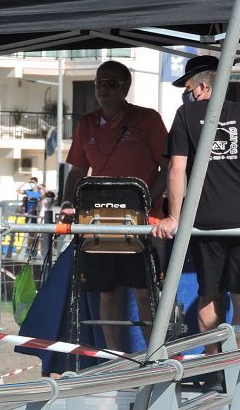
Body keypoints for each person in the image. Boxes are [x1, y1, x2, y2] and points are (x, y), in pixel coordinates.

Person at [152, 54, 240, 386]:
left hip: (206, 221)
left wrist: (174, 217)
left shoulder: (186, 115)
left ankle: (212, 368)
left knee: (210, 295)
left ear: (204, 85)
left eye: (190, 88)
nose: (188, 95)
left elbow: (176, 169)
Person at [63, 60, 170, 352]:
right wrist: (67, 203)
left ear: (126, 86)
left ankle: (153, 358)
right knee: (106, 294)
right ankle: (112, 361)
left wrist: (149, 200)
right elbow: (76, 171)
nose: (103, 89)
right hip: (100, 223)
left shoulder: (148, 119)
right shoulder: (86, 123)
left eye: (111, 83)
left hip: (142, 223)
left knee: (144, 293)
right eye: (99, 82)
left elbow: (168, 166)